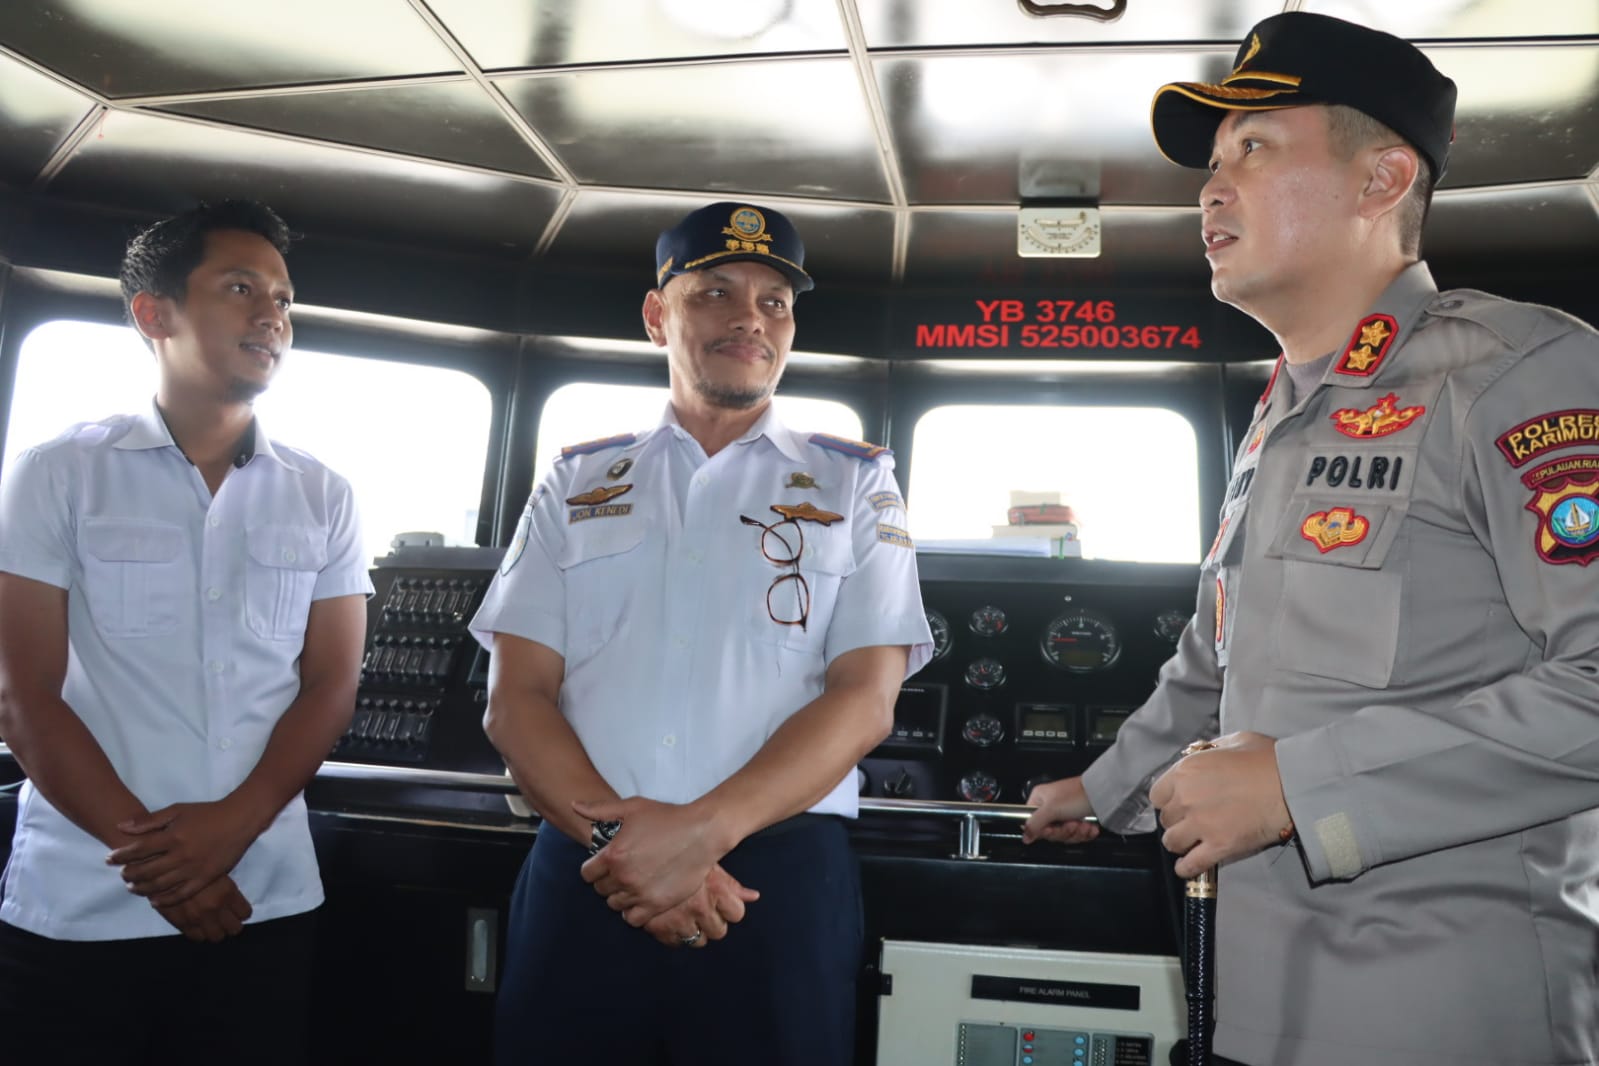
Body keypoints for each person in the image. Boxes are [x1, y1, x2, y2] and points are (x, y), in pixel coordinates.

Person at [1022, 13, 1599, 1066]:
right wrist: (1099, 792)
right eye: (1211, 162)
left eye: (1254, 147)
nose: (1210, 187)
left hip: (1442, 1016)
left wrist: (1298, 787)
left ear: (1381, 181)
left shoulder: (1514, 376)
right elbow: (1216, 669)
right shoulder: (1282, 411)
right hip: (1251, 996)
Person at [470, 200, 932, 1065]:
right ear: (657, 316)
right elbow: (516, 698)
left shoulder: (856, 484)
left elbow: (865, 700)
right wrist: (631, 850)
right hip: (589, 869)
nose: (748, 318)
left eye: (773, 301)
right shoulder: (574, 483)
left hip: (775, 880)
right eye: (715, 292)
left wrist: (699, 836)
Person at [0, 200, 372, 1065]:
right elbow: (23, 697)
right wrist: (166, 867)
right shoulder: (58, 474)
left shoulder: (325, 494)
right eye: (241, 288)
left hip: (263, 897)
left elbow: (331, 686)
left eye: (282, 298)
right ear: (152, 313)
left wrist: (234, 827)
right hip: (80, 906)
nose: (272, 316)